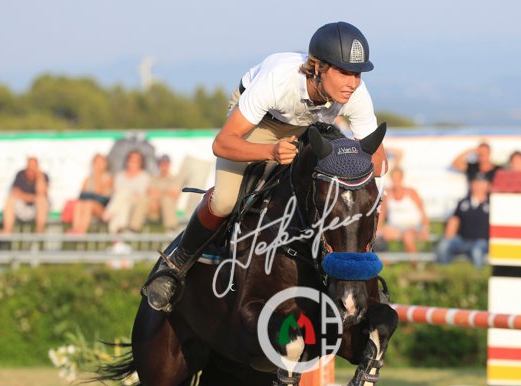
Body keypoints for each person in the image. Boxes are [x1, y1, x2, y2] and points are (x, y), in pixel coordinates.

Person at [142, 21, 387, 312]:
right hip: (258, 123)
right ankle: (175, 266)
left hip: (309, 128)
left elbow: (377, 162)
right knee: (224, 201)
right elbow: (221, 143)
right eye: (345, 72)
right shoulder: (278, 79)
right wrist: (269, 151)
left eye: (357, 74)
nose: (353, 83)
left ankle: (353, 282)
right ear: (319, 68)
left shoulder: (355, 93)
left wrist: (360, 186)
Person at [437, 175, 490, 268]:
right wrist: (448, 236)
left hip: (482, 241)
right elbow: (455, 220)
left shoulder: (492, 203)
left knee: (477, 250)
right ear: (471, 184)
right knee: (444, 244)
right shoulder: (463, 202)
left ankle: (479, 275)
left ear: (488, 185)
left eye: (482, 183)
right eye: (476, 183)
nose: (478, 186)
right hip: (462, 240)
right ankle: (444, 271)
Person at [376, 168, 428, 254]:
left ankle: (415, 261)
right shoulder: (387, 193)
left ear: (402, 178)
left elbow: (422, 210)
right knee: (377, 236)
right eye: (394, 178)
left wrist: (425, 228)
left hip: (412, 226)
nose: (396, 180)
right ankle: (385, 261)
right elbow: (382, 212)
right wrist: (378, 228)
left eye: (398, 178)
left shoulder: (411, 192)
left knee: (408, 236)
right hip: (395, 227)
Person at [130, 154, 183, 232]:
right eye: (162, 163)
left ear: (169, 165)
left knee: (167, 200)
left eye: (166, 163)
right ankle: (133, 229)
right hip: (152, 207)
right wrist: (163, 194)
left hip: (165, 210)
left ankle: (171, 229)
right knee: (144, 200)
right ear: (159, 164)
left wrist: (159, 196)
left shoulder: (175, 179)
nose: (164, 166)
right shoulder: (153, 177)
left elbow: (174, 194)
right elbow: (150, 192)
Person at [102, 150, 151, 233]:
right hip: (122, 203)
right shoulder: (119, 176)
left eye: (136, 161)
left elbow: (141, 194)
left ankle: (108, 213)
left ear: (141, 162)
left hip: (136, 203)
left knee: (125, 193)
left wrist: (127, 192)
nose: (133, 163)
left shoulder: (144, 176)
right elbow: (115, 192)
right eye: (131, 160)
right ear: (127, 161)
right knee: (124, 204)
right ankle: (119, 234)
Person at [0, 157, 50, 234]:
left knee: (41, 201)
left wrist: (39, 176)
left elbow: (41, 193)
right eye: (29, 167)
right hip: (22, 206)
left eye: (33, 167)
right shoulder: (20, 174)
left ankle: (40, 233)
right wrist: (31, 197)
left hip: (36, 208)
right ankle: (7, 232)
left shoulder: (43, 176)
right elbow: (15, 192)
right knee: (10, 200)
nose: (31, 170)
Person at [70, 154, 113, 234]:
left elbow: (99, 191)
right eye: (97, 162)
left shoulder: (108, 177)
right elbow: (82, 194)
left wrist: (97, 175)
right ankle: (76, 229)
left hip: (102, 209)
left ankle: (81, 231)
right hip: (88, 205)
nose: (99, 165)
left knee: (89, 204)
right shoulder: (88, 179)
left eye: (101, 162)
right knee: (80, 204)